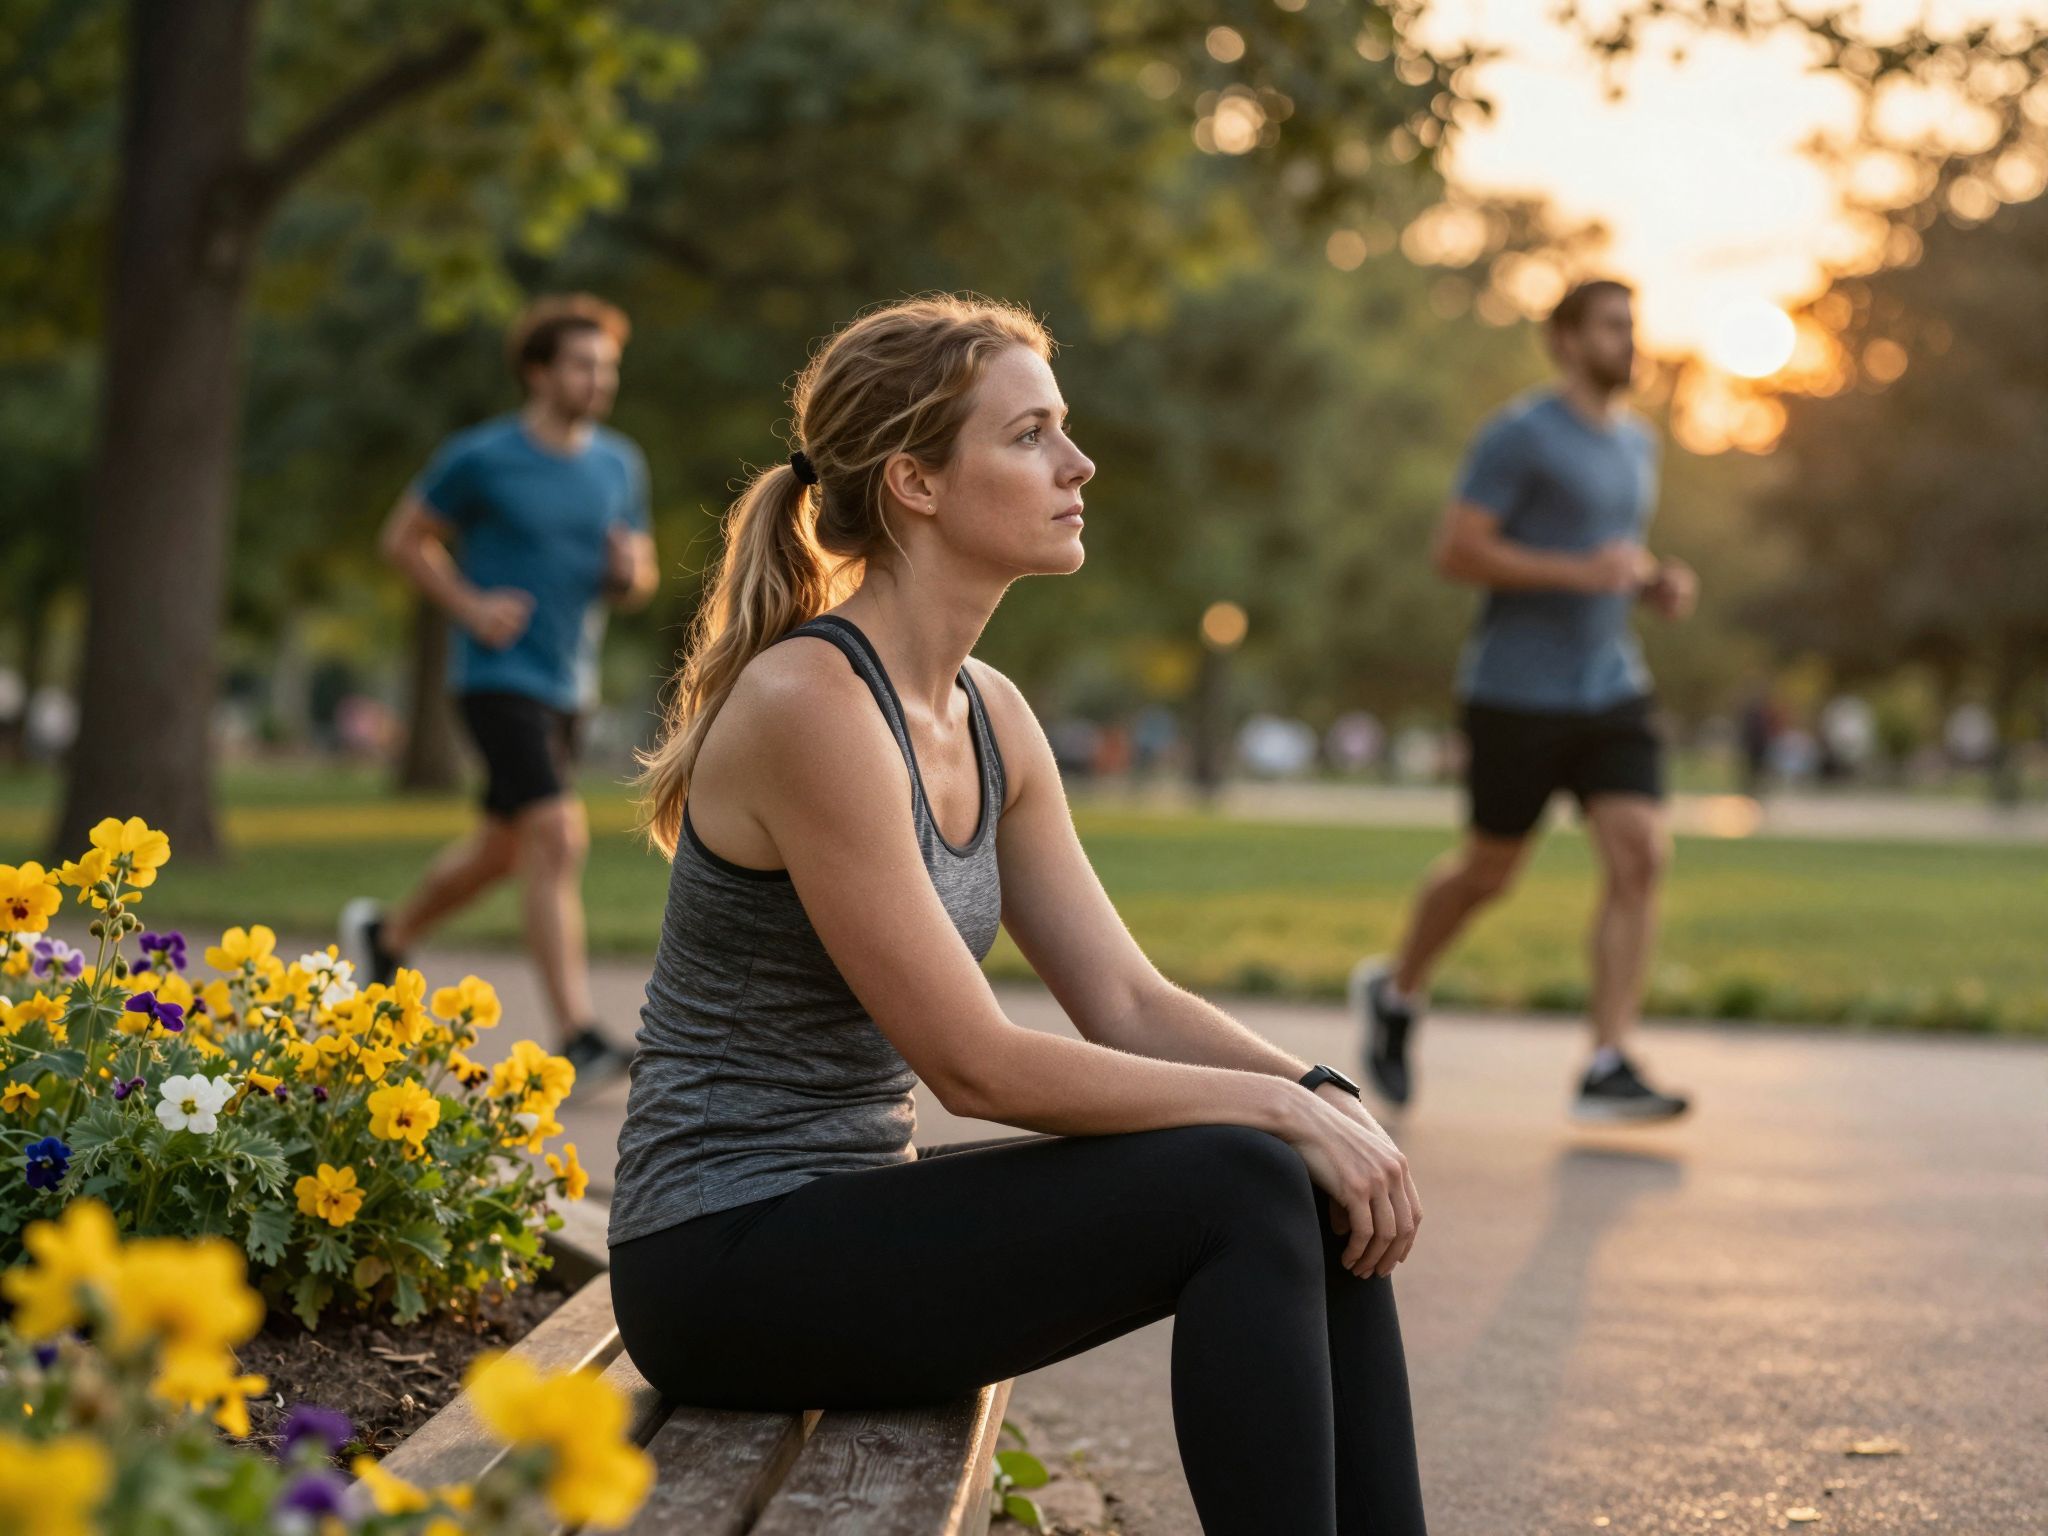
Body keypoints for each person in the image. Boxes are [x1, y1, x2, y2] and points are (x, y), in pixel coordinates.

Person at [607, 296, 1428, 1535]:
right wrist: (1277, 1113)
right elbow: (973, 1064)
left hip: (844, 1221)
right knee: (1246, 1180)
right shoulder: (810, 707)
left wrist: (1320, 1096)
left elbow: (1125, 1002)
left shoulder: (989, 713)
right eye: (1030, 435)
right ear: (915, 483)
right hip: (721, 1259)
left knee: (1301, 1175)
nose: (1077, 463)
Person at [1351, 279, 1697, 1123]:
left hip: (1611, 684)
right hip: (1517, 692)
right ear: (1567, 341)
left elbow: (1612, 550)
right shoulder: (1519, 436)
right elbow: (1458, 550)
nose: (1630, 341)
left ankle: (1607, 1061)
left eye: (1632, 325)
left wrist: (1652, 582)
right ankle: (1396, 990)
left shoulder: (1639, 443)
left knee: (1641, 852)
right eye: (1613, 327)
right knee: (1488, 871)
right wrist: (1578, 574)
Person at [341, 294, 658, 1084]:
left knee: (501, 849)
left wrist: (628, 576)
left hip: (568, 681)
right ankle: (578, 1032)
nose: (600, 380)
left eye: (608, 367)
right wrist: (470, 607)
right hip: (496, 676)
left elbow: (640, 576)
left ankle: (389, 935)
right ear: (538, 370)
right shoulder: (479, 458)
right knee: (557, 836)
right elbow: (403, 539)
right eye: (584, 365)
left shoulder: (620, 464)